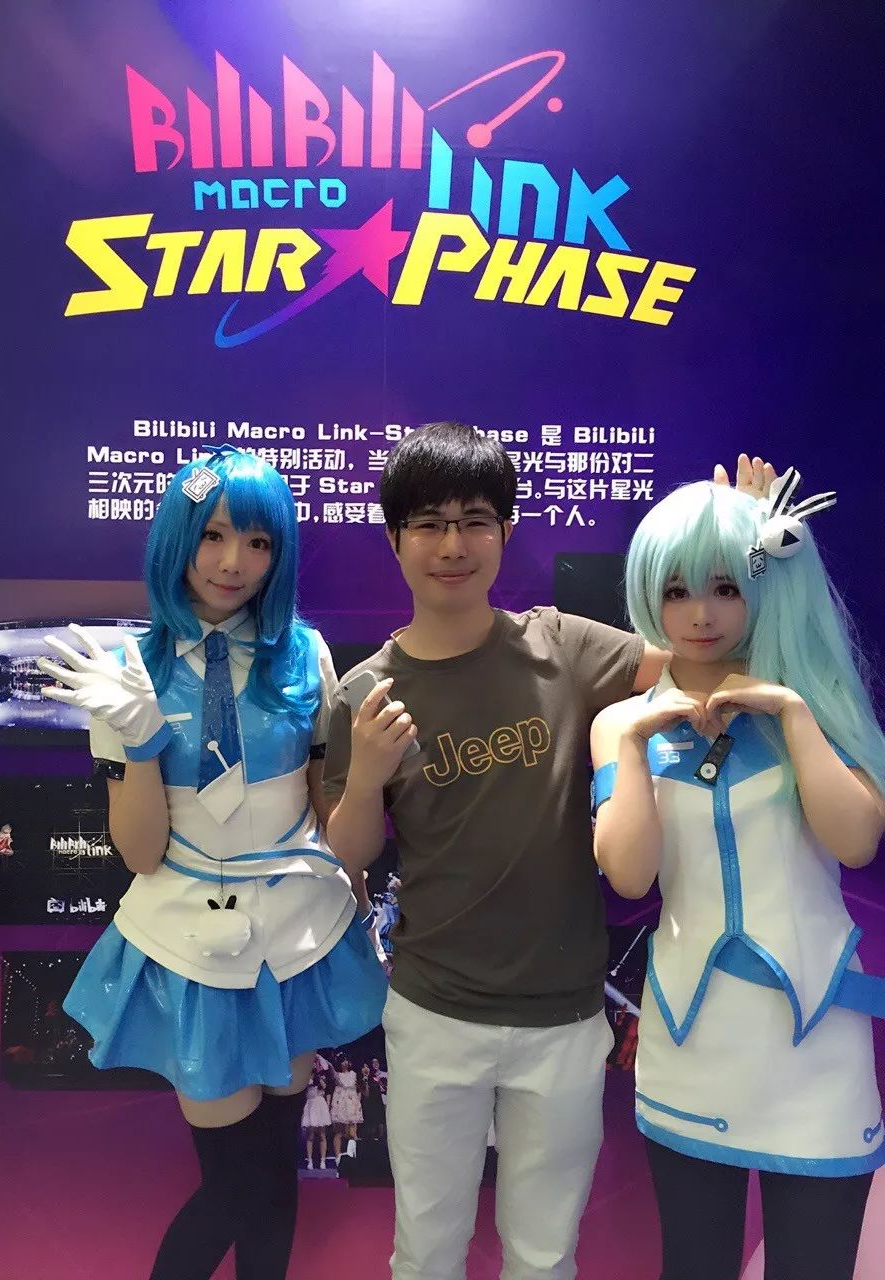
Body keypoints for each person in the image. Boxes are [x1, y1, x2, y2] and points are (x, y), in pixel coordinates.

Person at [324, 423, 768, 1279]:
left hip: (562, 1017)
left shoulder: (561, 646)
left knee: (544, 1254)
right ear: (394, 538)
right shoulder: (365, 693)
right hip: (433, 1013)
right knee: (425, 1252)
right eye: (428, 523)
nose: (452, 545)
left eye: (474, 521)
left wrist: (737, 554)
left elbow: (706, 656)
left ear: (506, 531)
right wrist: (367, 774)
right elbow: (350, 851)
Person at [37, 446, 387, 1280]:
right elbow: (141, 852)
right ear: (178, 538)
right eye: (214, 535)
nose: (234, 562)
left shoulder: (304, 653)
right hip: (190, 941)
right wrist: (140, 740)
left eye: (259, 542)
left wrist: (361, 902)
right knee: (236, 1185)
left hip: (298, 934)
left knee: (276, 1177)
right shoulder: (127, 672)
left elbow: (323, 806)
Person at [591, 474, 885, 1280]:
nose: (701, 614)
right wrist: (634, 745)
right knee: (695, 1264)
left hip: (816, 1036)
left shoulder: (816, 699)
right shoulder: (621, 723)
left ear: (763, 588)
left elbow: (855, 841)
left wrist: (792, 712)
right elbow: (629, 875)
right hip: (692, 1033)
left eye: (725, 587)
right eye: (676, 590)